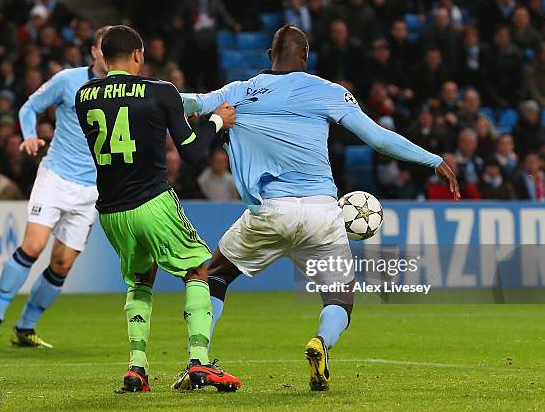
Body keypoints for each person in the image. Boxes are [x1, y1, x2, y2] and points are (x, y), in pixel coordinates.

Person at [182, 25, 459, 391]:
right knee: (341, 296)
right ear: (306, 56)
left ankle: (198, 361)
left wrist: (148, 95)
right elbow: (377, 137)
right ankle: (321, 343)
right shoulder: (328, 91)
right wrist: (432, 160)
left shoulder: (238, 91)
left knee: (214, 275)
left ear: (270, 55)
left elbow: (188, 103)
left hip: (269, 211)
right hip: (322, 213)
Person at [74, 25, 241, 393]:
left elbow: (128, 123)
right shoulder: (161, 91)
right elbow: (193, 152)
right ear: (139, 55)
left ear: (102, 56)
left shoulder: (84, 96)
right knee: (198, 268)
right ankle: (199, 361)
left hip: (112, 210)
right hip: (152, 200)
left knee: (140, 280)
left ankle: (136, 369)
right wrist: (217, 121)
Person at [0, 26, 111, 348]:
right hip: (56, 177)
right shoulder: (67, 80)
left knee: (62, 263)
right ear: (93, 51)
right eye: (103, 49)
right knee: (33, 246)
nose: (108, 56)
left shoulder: (127, 91)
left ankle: (25, 328)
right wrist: (29, 134)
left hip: (92, 190)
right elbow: (28, 107)